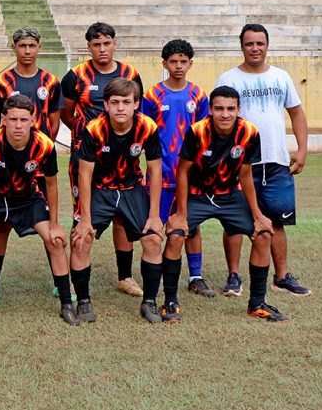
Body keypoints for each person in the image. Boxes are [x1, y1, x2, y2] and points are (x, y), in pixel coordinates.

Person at [161, 86, 286, 323]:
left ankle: (257, 304)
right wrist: (181, 213)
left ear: (239, 110)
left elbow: (246, 175)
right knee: (176, 234)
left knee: (263, 234)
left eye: (230, 109)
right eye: (219, 108)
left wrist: (258, 215)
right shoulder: (197, 131)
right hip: (198, 194)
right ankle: (170, 302)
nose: (225, 114)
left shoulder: (249, 132)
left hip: (229, 195)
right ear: (210, 110)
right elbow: (182, 172)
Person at [0, 95, 71, 330]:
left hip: (26, 198)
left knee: (55, 240)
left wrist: (55, 223)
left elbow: (51, 184)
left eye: (23, 119)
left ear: (33, 120)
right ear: (4, 120)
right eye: (13, 119)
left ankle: (68, 304)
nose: (18, 125)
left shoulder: (45, 145)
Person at [216, 24, 310, 296]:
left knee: (277, 221)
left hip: (277, 163)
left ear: (267, 45)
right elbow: (219, 120)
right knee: (234, 221)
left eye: (259, 43)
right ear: (241, 46)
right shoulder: (228, 78)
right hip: (238, 164)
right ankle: (234, 277)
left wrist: (302, 149)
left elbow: (296, 113)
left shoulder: (281, 77)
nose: (254, 48)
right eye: (249, 44)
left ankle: (281, 277)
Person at [61, 22, 144, 297]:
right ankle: (77, 279)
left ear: (114, 44)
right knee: (83, 215)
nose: (102, 49)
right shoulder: (76, 76)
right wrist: (87, 135)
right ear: (89, 48)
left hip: (122, 158)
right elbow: (67, 113)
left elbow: (136, 111)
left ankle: (125, 277)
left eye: (106, 43)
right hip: (86, 157)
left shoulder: (130, 73)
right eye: (96, 44)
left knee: (123, 216)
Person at [71, 78, 163, 323]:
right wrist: (85, 219)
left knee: (153, 238)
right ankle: (83, 301)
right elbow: (84, 174)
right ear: (106, 105)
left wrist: (154, 215)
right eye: (115, 102)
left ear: (136, 104)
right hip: (100, 189)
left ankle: (150, 302)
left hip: (132, 187)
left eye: (126, 102)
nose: (120, 107)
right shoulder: (94, 129)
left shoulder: (148, 127)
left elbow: (155, 171)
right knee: (81, 240)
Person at [0, 26, 63, 307]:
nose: (27, 50)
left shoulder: (50, 81)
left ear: (39, 47)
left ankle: (58, 282)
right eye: (22, 46)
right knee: (2, 225)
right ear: (14, 48)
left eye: (31, 45)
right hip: (5, 164)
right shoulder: (1, 82)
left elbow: (54, 121)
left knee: (47, 222)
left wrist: (40, 153)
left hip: (37, 163)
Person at [140, 40, 214, 297]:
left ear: (191, 64)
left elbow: (205, 134)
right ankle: (156, 275)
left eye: (183, 61)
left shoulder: (199, 95)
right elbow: (145, 132)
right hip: (160, 175)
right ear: (164, 64)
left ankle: (196, 276)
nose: (178, 66)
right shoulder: (151, 96)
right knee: (155, 227)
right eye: (173, 61)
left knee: (191, 226)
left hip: (189, 176)